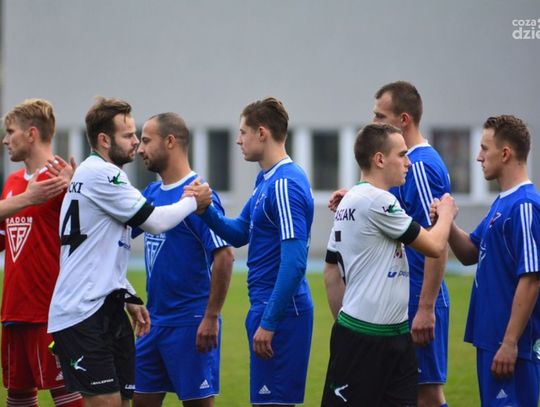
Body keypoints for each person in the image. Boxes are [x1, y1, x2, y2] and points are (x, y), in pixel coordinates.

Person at [47, 97, 211, 407]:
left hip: (107, 307)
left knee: (124, 402)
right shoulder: (104, 174)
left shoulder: (94, 174)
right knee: (107, 402)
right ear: (104, 140)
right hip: (81, 312)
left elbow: (101, 251)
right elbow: (156, 222)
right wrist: (194, 200)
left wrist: (126, 293)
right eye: (128, 135)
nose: (136, 141)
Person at [327, 81, 451, 407]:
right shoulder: (373, 196)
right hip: (381, 317)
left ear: (404, 119)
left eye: (380, 116)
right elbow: (393, 216)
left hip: (413, 302)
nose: (373, 121)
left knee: (427, 394)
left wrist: (426, 306)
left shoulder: (419, 168)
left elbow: (435, 243)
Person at [188, 97, 314, 407]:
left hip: (281, 311)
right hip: (266, 306)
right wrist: (205, 210)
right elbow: (240, 233)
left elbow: (295, 263)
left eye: (243, 132)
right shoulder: (266, 180)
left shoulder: (285, 184)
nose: (238, 140)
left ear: (262, 133)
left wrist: (269, 322)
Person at [132, 112, 234, 407]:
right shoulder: (151, 193)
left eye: (146, 141)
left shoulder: (199, 195)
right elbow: (118, 230)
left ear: (170, 141)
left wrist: (211, 316)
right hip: (152, 322)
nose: (140, 149)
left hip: (190, 322)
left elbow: (225, 256)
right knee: (140, 401)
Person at [442, 115, 539, 406]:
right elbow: (470, 252)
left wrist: (510, 343)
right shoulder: (503, 202)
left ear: (505, 153)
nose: (478, 156)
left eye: (485, 148)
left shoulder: (524, 205)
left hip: (511, 347)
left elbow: (532, 278)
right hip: (491, 341)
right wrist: (446, 221)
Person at [1, 99, 83, 407]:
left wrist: (80, 192)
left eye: (10, 132)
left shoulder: (63, 180)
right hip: (13, 312)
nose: (5, 140)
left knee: (69, 396)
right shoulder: (13, 183)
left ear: (31, 133)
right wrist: (26, 198)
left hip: (50, 313)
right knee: (18, 398)